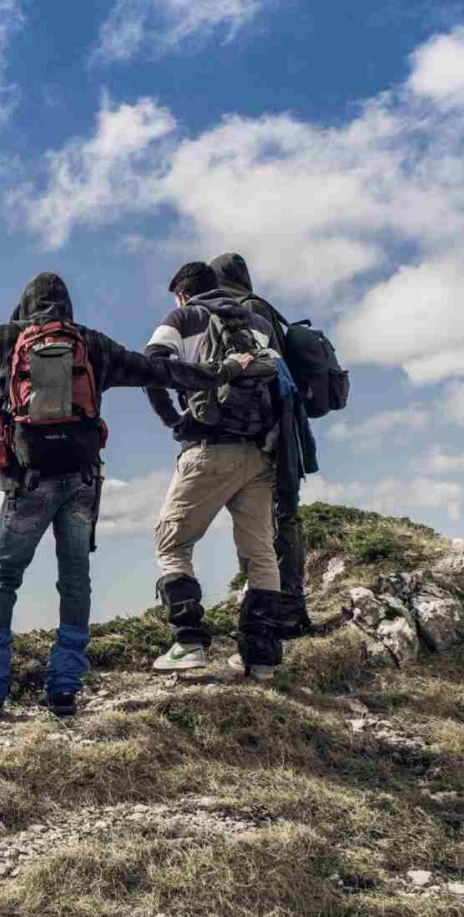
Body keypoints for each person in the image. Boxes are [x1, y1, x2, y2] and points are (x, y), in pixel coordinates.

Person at [0, 272, 220, 717]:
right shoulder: (92, 343)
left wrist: (10, 333)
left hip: (27, 481)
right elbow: (153, 369)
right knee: (75, 582)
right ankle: (63, 691)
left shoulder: (11, 337)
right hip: (81, 483)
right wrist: (216, 376)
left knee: (3, 579)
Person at [143, 262, 289, 680]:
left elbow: (152, 365)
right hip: (260, 454)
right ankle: (260, 658)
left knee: (171, 542)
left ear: (182, 295)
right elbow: (280, 382)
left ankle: (188, 643)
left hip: (209, 449)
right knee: (260, 552)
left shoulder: (183, 317)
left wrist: (174, 420)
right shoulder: (257, 322)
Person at [209, 252, 318, 637]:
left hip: (267, 431)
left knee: (271, 517)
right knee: (279, 515)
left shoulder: (241, 311)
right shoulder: (264, 308)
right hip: (285, 426)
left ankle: (278, 610)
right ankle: (285, 607)